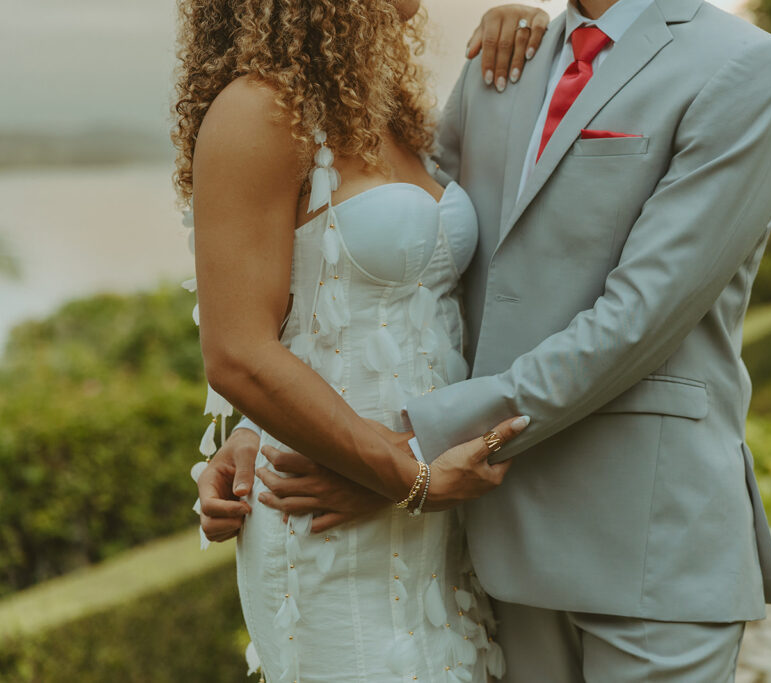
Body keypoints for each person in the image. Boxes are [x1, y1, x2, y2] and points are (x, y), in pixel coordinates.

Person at [202, 0, 771, 680]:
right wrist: (273, 422)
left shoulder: (749, 68)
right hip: (491, 540)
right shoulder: (502, 68)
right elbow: (415, 278)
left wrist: (405, 458)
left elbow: (640, 317)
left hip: (647, 541)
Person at [174, 1, 550, 681]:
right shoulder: (256, 111)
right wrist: (408, 475)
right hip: (331, 520)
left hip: (433, 519)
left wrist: (538, 36)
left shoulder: (389, 111)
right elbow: (237, 352)